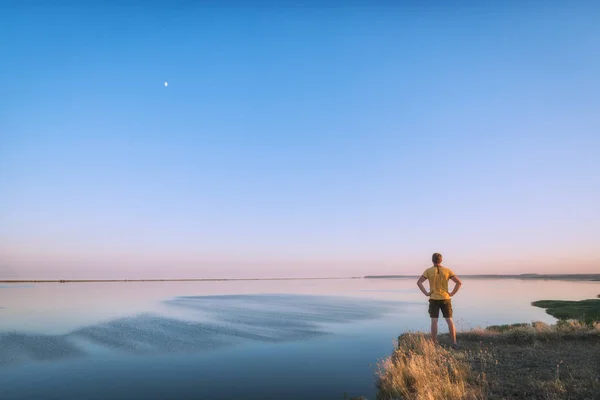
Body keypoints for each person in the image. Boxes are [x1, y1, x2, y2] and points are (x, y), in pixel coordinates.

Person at [417, 253, 462, 348]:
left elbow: (419, 282)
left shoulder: (428, 271)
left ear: (432, 260)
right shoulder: (447, 271)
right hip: (446, 298)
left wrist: (426, 293)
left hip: (433, 299)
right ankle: (454, 343)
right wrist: (452, 293)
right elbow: (459, 282)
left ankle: (433, 344)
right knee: (449, 320)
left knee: (434, 321)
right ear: (441, 260)